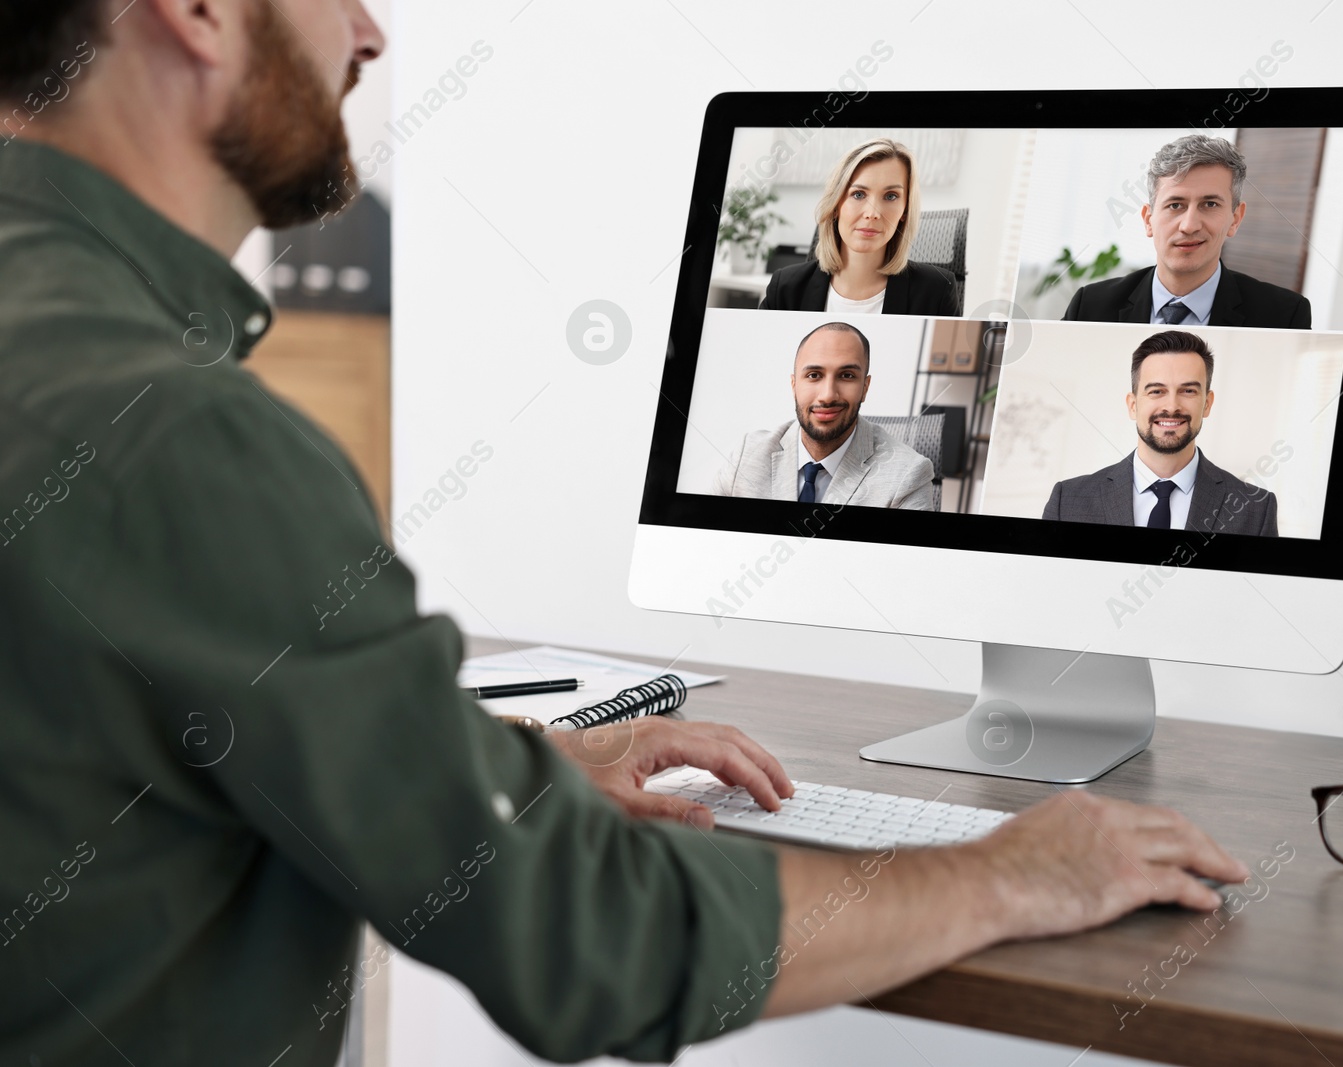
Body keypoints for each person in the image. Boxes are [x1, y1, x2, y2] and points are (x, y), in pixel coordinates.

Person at [0, 3, 1249, 1063]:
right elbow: (577, 934)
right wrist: (1011, 872)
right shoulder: (174, 433)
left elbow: (91, 729)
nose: (372, 32)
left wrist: (467, 757)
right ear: (200, 11)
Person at [1043, 331, 1279, 536]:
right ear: (1133, 405)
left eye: (1188, 390)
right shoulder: (1068, 500)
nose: (1172, 406)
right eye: (1157, 391)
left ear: (1207, 404)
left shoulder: (1255, 509)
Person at [1063, 135, 1313, 329]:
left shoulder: (1284, 315)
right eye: (1175, 205)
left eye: (1210, 204)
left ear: (1235, 219)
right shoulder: (1090, 307)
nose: (1189, 225)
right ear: (1148, 220)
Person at [713, 322, 935, 508]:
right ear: (794, 385)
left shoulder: (908, 476)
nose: (828, 396)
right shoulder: (747, 454)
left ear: (865, 388)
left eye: (847, 375)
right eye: (814, 375)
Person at [760, 137, 961, 316]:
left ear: (905, 211)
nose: (872, 213)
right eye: (858, 194)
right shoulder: (785, 287)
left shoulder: (937, 291)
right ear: (836, 205)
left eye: (891, 196)